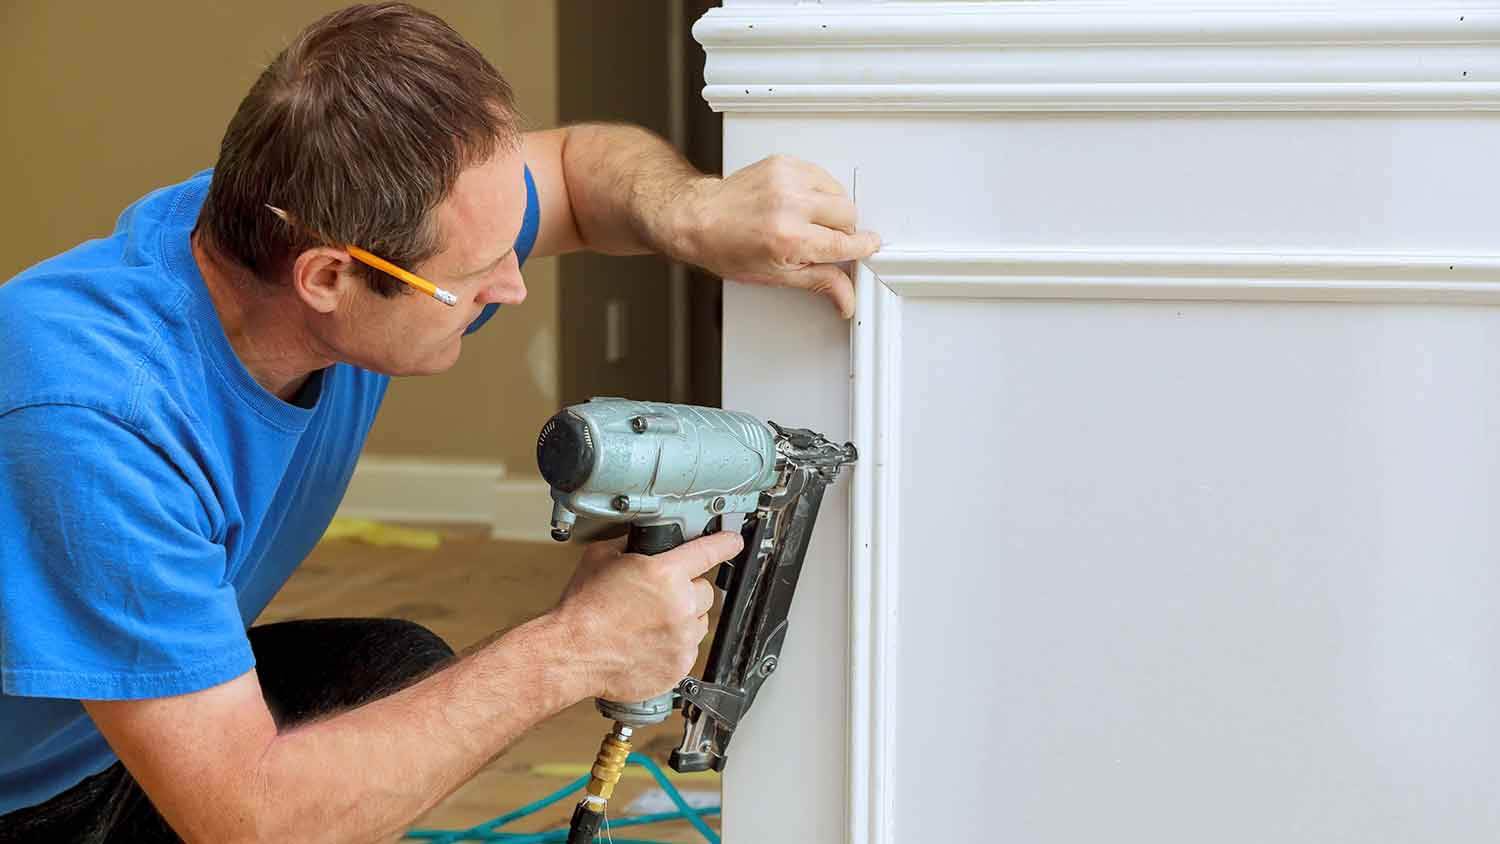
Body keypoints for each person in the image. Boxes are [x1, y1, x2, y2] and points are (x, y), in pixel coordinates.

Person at [0, 4, 880, 841]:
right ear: (327, 279)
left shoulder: (315, 216)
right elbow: (246, 821)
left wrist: (691, 213)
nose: (514, 284)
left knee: (399, 676)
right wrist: (575, 649)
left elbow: (574, 167)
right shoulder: (95, 422)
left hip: (99, 747)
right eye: (479, 269)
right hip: (25, 805)